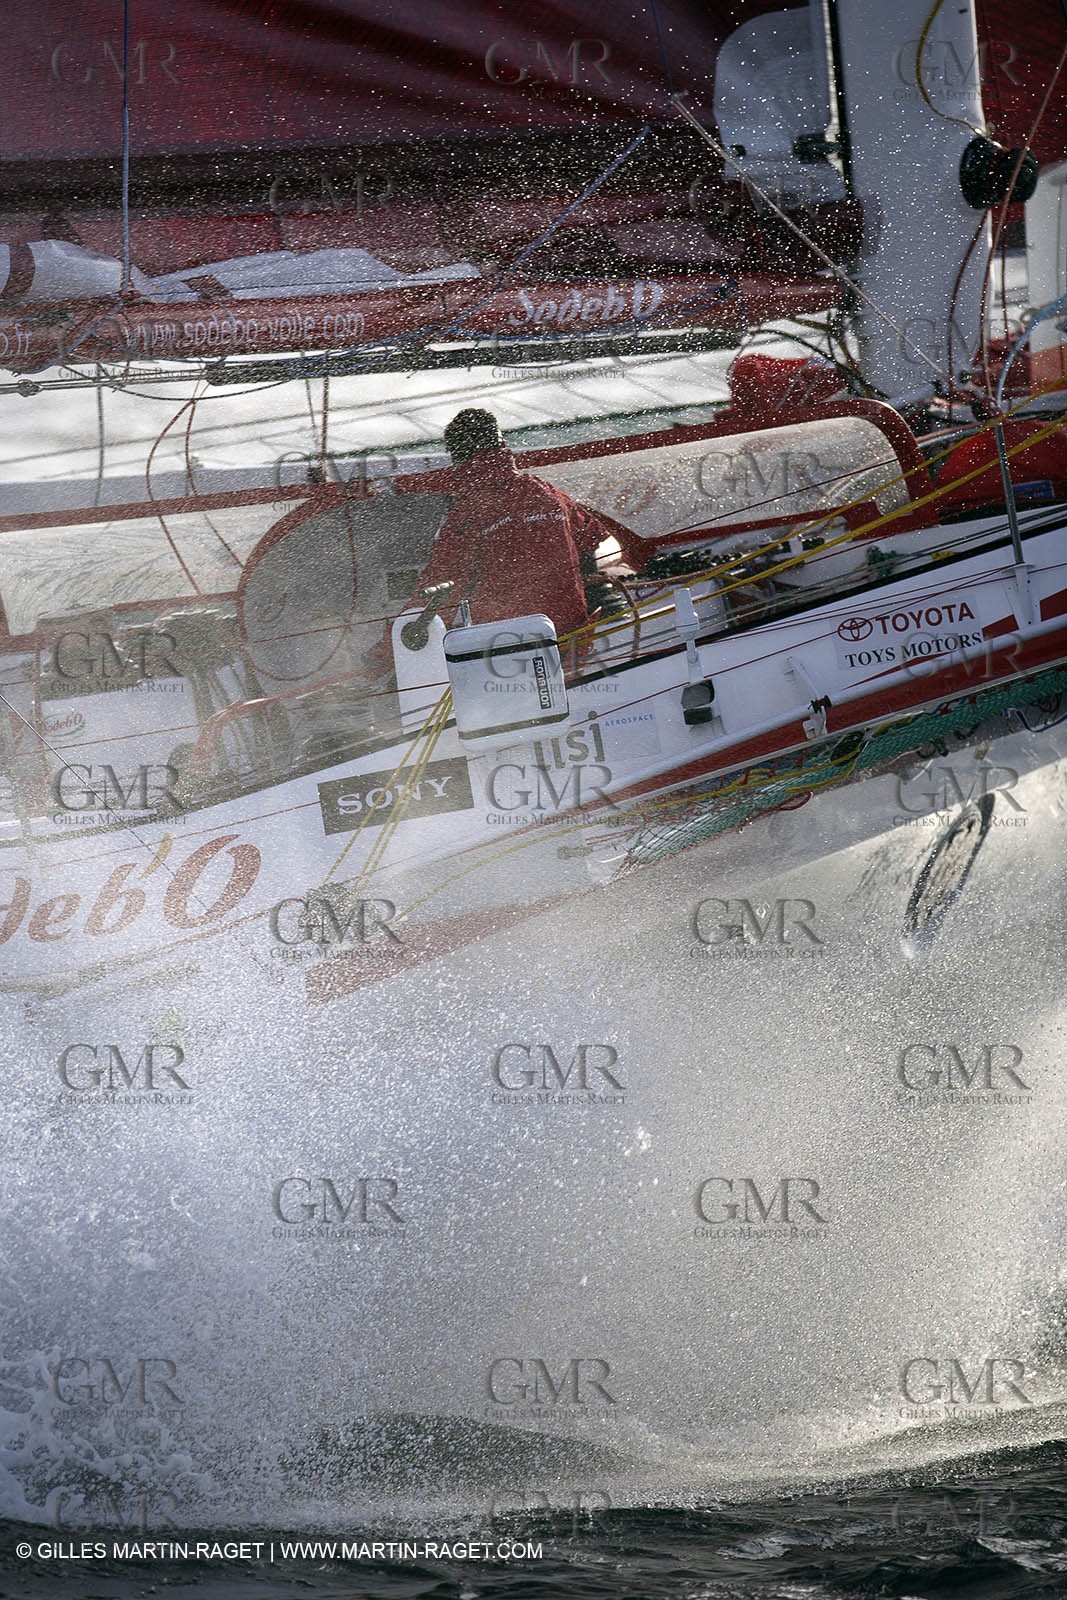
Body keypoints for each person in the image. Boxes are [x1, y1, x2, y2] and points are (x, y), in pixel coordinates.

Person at [374, 409, 617, 673]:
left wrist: (386, 653)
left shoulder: (469, 514)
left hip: (507, 653)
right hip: (572, 641)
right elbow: (590, 537)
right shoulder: (546, 492)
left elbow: (440, 588)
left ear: (457, 456)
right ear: (501, 444)